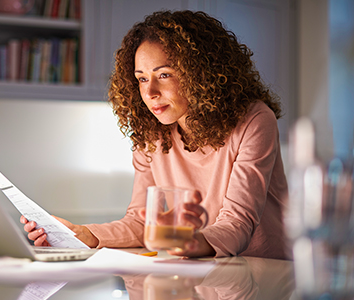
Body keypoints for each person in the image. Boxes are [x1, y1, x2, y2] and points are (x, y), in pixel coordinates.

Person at [21, 10, 289, 259]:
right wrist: (83, 235)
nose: (149, 93)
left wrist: (185, 241)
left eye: (164, 75)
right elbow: (142, 222)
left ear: (201, 74)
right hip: (198, 273)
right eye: (142, 78)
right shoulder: (152, 132)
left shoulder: (254, 120)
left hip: (263, 273)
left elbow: (237, 224)